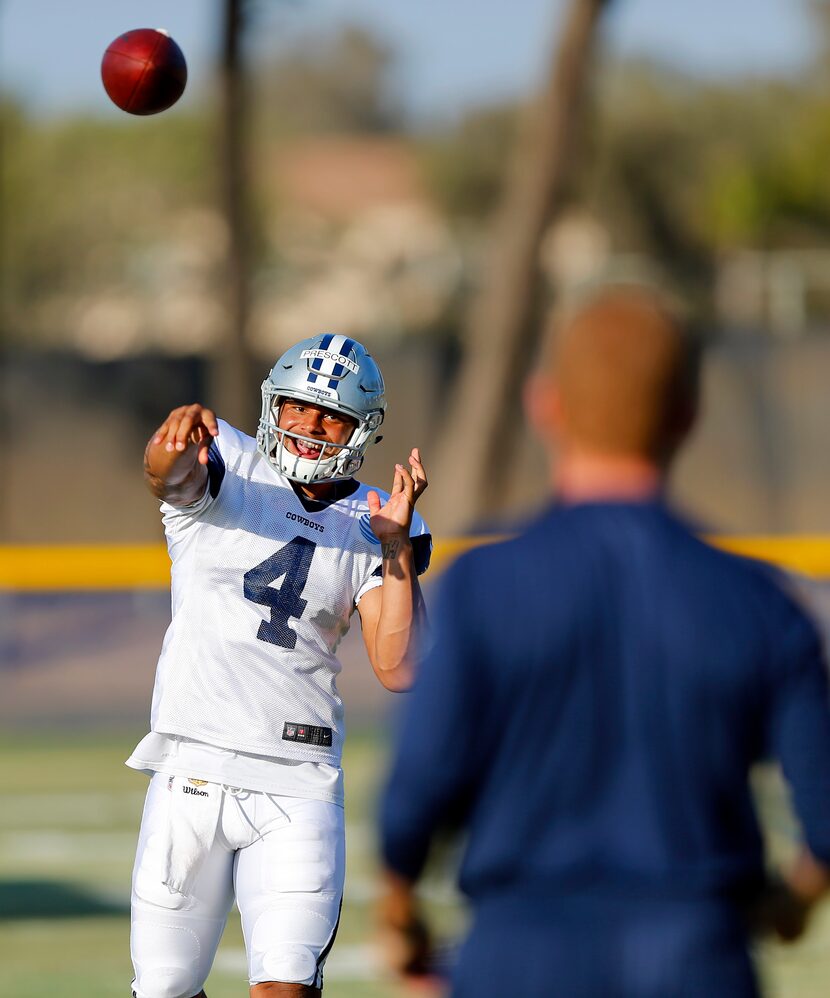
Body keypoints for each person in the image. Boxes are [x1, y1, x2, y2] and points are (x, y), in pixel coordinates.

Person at [377, 287, 830, 997]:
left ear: (545, 405)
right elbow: (825, 817)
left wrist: (401, 914)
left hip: (518, 951)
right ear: (688, 414)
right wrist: (793, 904)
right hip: (697, 954)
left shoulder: (485, 588)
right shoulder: (762, 604)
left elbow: (416, 795)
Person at [127, 332, 431, 998]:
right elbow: (165, 474)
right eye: (299, 406)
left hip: (297, 780)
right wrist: (171, 440)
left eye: (332, 415)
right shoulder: (229, 464)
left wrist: (398, 551)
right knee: (164, 989)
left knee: (285, 988)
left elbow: (399, 666)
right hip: (191, 769)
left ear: (362, 430)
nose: (311, 426)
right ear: (274, 405)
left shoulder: (376, 517)